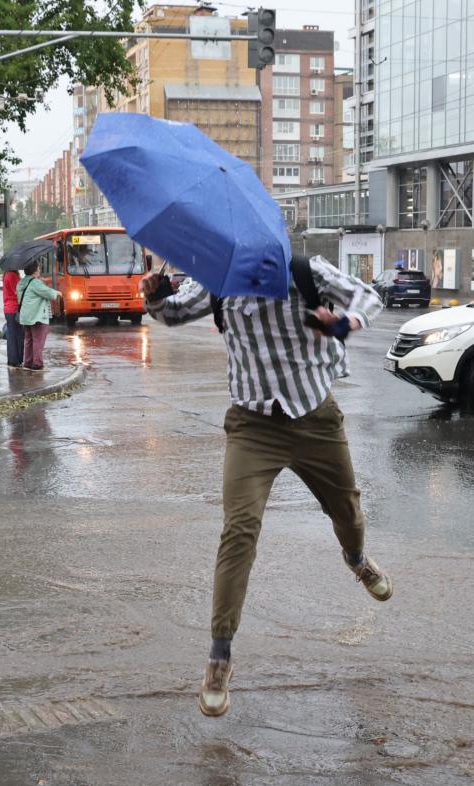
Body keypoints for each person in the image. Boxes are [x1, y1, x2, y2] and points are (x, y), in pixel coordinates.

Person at [140, 255, 389, 719]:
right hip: (253, 426)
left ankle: (356, 560)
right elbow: (172, 314)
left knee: (347, 513)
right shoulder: (217, 281)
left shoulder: (304, 271)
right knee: (239, 529)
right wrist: (155, 294)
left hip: (315, 419)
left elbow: (368, 297)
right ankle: (219, 658)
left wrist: (341, 324)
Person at [17, 261, 61, 371]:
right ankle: (37, 364)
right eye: (38, 268)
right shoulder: (35, 283)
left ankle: (28, 363)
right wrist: (57, 293)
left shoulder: (22, 282)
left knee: (28, 340)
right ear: (35, 270)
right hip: (37, 317)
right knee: (38, 341)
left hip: (26, 317)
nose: (40, 270)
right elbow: (50, 294)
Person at [2, 267, 23, 368]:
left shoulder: (6, 274)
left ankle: (12, 359)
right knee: (17, 336)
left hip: (8, 309)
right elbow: (17, 292)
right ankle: (16, 360)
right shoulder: (12, 275)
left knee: (12, 335)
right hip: (14, 308)